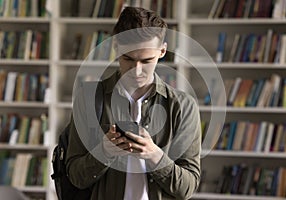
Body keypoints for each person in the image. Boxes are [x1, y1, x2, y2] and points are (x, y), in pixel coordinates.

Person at [66, 6, 201, 200]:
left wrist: (155, 156)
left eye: (146, 60)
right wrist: (103, 153)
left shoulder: (184, 106)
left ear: (162, 51)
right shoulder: (88, 98)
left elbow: (186, 189)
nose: (136, 71)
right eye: (128, 59)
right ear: (116, 48)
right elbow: (75, 177)